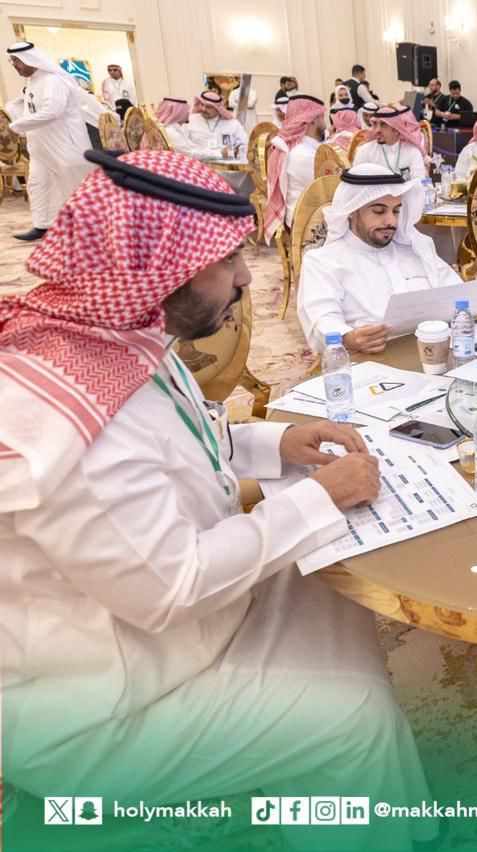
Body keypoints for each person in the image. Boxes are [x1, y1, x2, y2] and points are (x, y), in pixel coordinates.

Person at [0, 149, 437, 850]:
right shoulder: (70, 424)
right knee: (355, 716)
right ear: (157, 266)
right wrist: (318, 498)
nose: (245, 278)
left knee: (332, 575)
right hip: (105, 704)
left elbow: (185, 439)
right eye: (226, 258)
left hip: (162, 628)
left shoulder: (121, 334)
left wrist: (280, 442)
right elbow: (171, 588)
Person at [297, 164, 477, 353]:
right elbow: (322, 319)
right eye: (379, 211)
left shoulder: (418, 246)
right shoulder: (323, 261)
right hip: (370, 361)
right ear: (352, 211)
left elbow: (456, 295)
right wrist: (349, 338)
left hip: (438, 353)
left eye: (396, 210)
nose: (391, 221)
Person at [5, 42, 95, 241]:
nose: (15, 65)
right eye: (12, 61)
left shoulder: (52, 81)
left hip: (64, 145)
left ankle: (93, 227)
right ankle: (43, 225)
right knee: (38, 185)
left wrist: (17, 126)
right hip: (40, 148)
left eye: (17, 61)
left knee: (75, 186)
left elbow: (52, 111)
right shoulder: (32, 82)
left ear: (30, 58)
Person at [263, 94, 326, 239]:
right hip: (310, 226)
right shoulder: (302, 155)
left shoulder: (303, 149)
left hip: (310, 217)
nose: (325, 123)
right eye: (322, 116)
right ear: (313, 119)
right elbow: (328, 191)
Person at [352, 105, 427, 182]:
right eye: (375, 124)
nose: (377, 130)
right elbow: (356, 183)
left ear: (396, 130)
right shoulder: (364, 151)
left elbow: (419, 182)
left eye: (383, 125)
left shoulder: (412, 152)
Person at [185, 90, 248, 159]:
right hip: (198, 162)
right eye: (202, 105)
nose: (203, 109)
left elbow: (244, 144)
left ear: (218, 109)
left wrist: (237, 150)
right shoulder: (191, 120)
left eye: (208, 107)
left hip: (226, 164)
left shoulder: (232, 123)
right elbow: (184, 146)